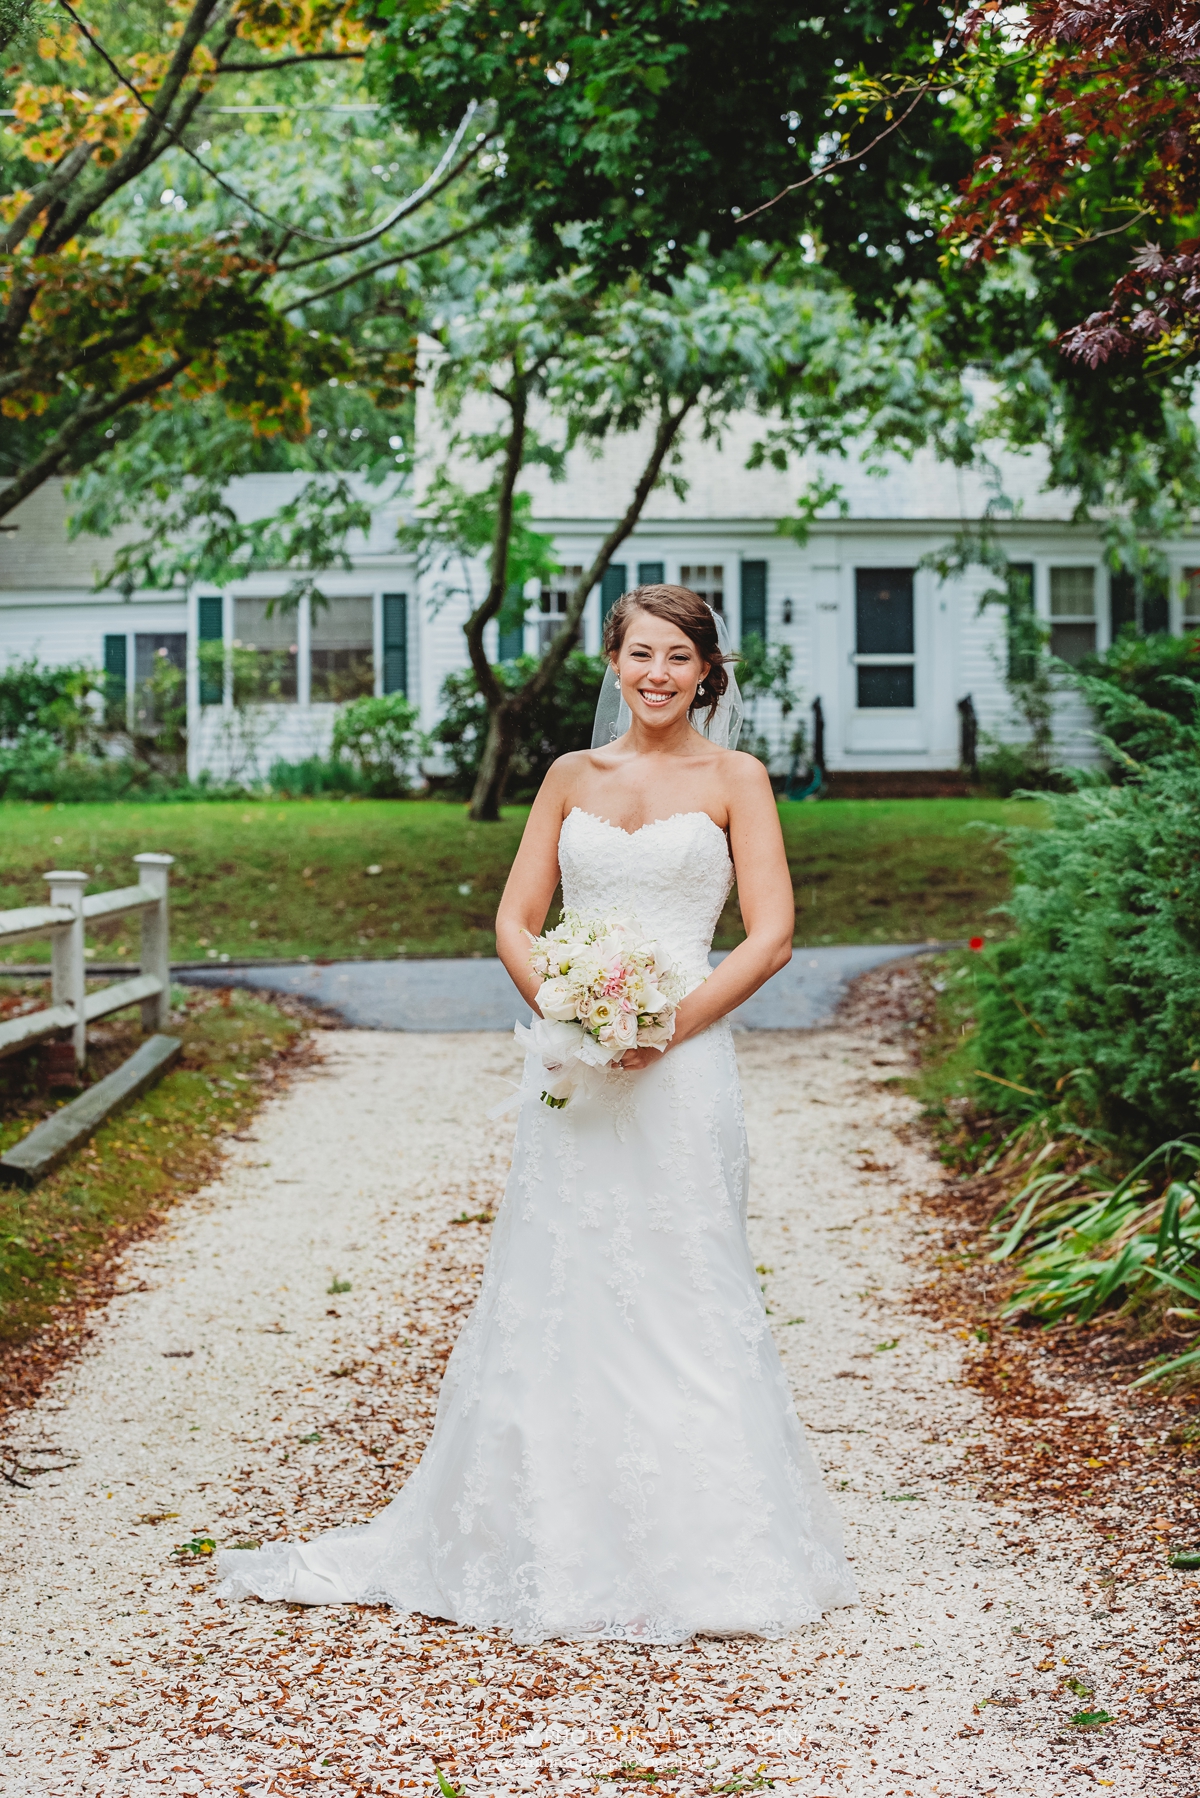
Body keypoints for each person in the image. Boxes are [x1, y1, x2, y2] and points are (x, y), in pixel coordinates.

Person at [218, 583, 857, 1641]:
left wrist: (665, 1026)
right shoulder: (569, 776)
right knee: (562, 1276)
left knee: (684, 1278)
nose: (658, 674)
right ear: (613, 660)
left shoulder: (737, 778)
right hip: (574, 1067)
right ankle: (546, 1533)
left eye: (679, 658)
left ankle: (710, 1550)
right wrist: (569, 1008)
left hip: (683, 1066)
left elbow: (770, 935)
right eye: (640, 653)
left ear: (708, 672)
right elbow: (515, 921)